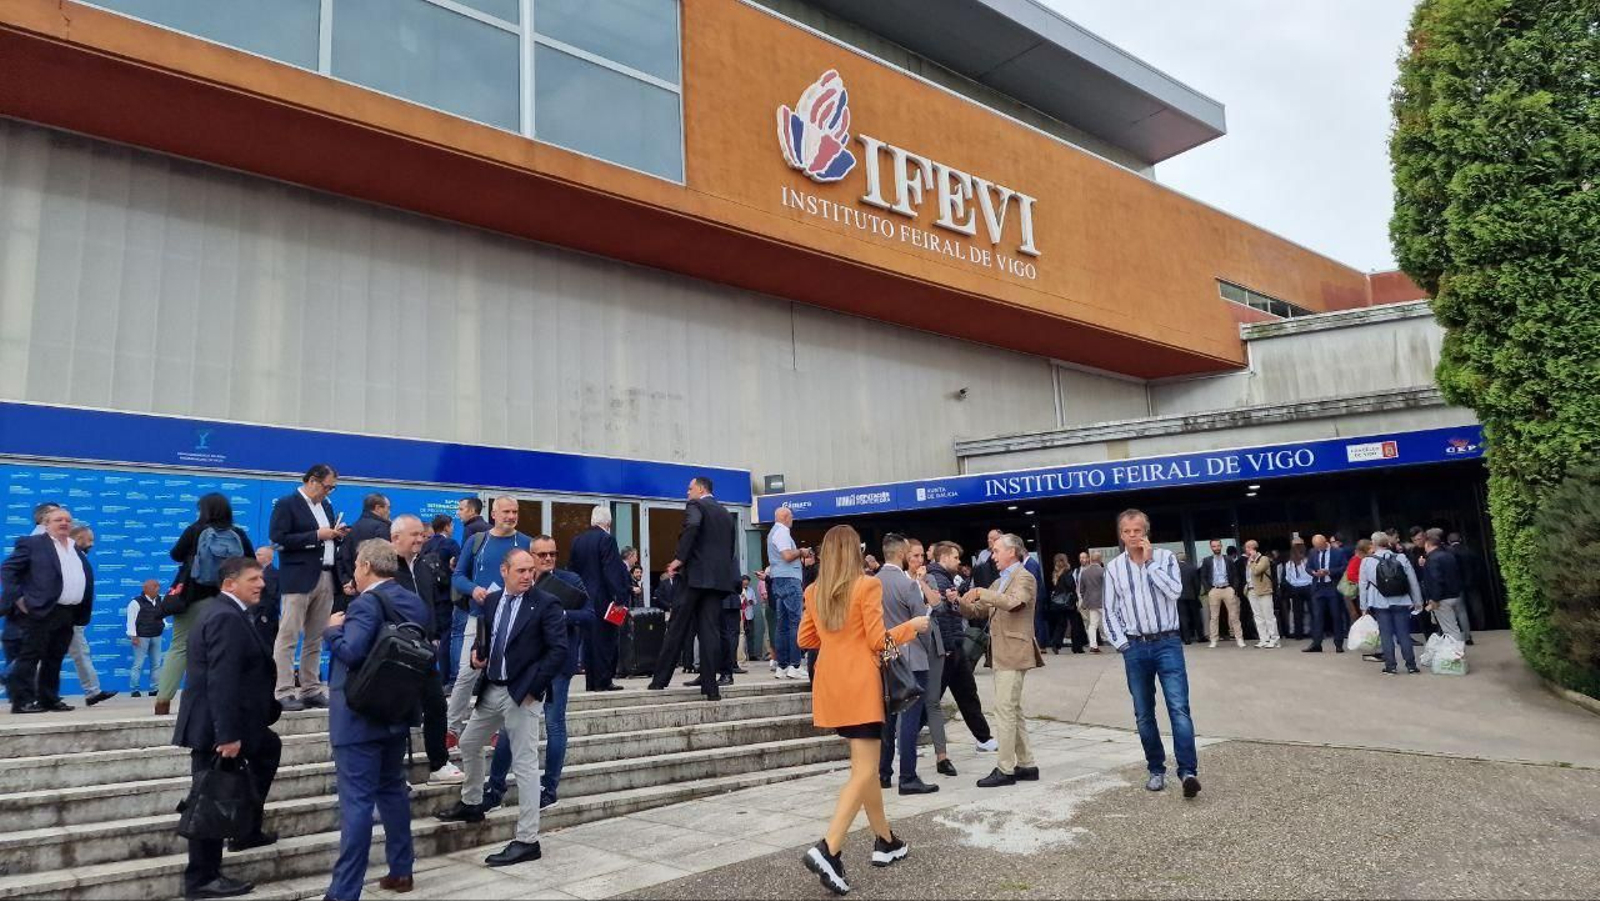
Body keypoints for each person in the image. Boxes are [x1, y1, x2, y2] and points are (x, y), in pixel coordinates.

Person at [797, 524, 928, 896]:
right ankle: (829, 847)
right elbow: (876, 640)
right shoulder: (867, 585)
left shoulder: (813, 590)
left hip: (831, 686)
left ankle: (885, 840)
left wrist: (833, 630)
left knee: (864, 769)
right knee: (865, 770)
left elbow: (805, 638)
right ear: (855, 551)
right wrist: (912, 627)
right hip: (860, 685)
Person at [436, 548, 567, 867]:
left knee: (524, 764)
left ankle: (527, 839)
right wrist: (476, 656)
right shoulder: (493, 601)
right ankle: (472, 802)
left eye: (530, 571)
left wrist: (534, 689)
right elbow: (488, 639)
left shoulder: (546, 604)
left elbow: (558, 651)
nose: (527, 576)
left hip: (524, 694)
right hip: (492, 688)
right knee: (468, 742)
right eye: (520, 571)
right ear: (504, 572)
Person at [323, 540, 430, 901]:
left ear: (366, 565)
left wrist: (331, 630)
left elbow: (351, 652)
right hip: (395, 714)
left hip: (357, 718)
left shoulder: (366, 604)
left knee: (356, 805)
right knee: (392, 793)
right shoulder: (413, 602)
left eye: (356, 564)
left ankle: (343, 892)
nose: (354, 569)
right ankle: (402, 870)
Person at [173, 555, 281, 899]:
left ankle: (245, 829)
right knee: (211, 796)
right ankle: (201, 878)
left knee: (268, 748)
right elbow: (221, 680)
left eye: (261, 578)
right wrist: (227, 736)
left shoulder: (231, 613)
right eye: (253, 579)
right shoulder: (224, 617)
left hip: (238, 723)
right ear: (230, 583)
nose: (261, 584)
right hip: (216, 728)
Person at [482, 535, 589, 812]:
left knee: (554, 725)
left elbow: (590, 615)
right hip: (525, 667)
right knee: (509, 728)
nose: (548, 559)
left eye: (552, 554)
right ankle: (495, 787)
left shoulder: (570, 581)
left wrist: (558, 614)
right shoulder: (521, 583)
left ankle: (549, 787)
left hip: (557, 665)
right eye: (541, 555)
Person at [1102, 509, 1201, 798]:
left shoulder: (1166, 559)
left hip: (1167, 643)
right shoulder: (1114, 568)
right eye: (1128, 532)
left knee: (1179, 708)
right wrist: (1122, 645)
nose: (1133, 536)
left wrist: (1148, 565)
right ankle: (1156, 769)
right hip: (1135, 646)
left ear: (1147, 532)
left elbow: (1174, 592)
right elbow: (1109, 611)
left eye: (1138, 531)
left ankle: (1188, 772)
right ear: (1121, 535)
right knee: (1144, 714)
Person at [157, 494, 256, 715]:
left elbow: (175, 554)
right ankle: (219, 700)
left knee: (180, 646)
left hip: (193, 597)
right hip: (228, 600)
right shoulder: (237, 533)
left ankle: (163, 701)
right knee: (223, 650)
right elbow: (251, 562)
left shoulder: (195, 530)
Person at [957, 533, 1042, 788]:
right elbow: (978, 611)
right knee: (1013, 710)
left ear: (1012, 552)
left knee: (1004, 710)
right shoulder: (999, 581)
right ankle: (1027, 764)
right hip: (1002, 652)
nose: (992, 556)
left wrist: (982, 591)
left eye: (996, 551)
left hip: (1015, 651)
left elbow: (1014, 603)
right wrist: (959, 601)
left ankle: (1005, 768)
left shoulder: (1024, 577)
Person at [445, 498, 531, 737]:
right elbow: (458, 576)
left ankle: (497, 727)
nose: (511, 516)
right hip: (480, 617)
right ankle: (452, 726)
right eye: (506, 511)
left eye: (515, 512)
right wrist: (474, 589)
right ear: (494, 513)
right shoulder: (477, 541)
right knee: (466, 672)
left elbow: (534, 579)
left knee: (504, 674)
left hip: (513, 619)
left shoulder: (525, 542)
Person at [647, 477, 739, 700]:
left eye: (689, 488)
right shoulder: (726, 514)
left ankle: (659, 680)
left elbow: (693, 526)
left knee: (677, 626)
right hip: (717, 582)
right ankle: (710, 688)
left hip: (695, 577)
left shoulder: (696, 505)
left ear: (700, 489)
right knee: (710, 632)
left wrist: (679, 558)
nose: (687, 493)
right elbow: (729, 549)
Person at [387, 515, 463, 786]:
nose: (420, 539)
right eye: (414, 535)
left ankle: (439, 763)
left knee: (436, 705)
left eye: (422, 534)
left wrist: (435, 635)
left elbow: (431, 603)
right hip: (397, 651)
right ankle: (393, 771)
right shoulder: (386, 568)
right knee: (397, 711)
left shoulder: (424, 565)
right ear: (396, 538)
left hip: (425, 650)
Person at [267, 465, 349, 713]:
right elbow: (278, 539)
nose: (329, 492)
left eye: (332, 488)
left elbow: (325, 537)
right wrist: (316, 535)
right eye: (327, 486)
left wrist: (335, 535)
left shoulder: (326, 506)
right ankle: (283, 690)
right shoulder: (287, 503)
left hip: (325, 575)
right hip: (298, 577)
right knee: (289, 635)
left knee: (315, 637)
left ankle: (311, 688)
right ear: (312, 481)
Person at [3, 506, 94, 714]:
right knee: (30, 656)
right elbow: (9, 570)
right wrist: (18, 598)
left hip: (68, 612)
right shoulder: (32, 543)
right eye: (58, 520)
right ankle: (22, 701)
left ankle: (49, 698)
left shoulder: (73, 547)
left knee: (55, 657)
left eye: (67, 520)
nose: (64, 523)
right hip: (41, 610)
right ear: (46, 524)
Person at [874, 534, 939, 795]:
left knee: (887, 717)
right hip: (911, 656)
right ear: (901, 553)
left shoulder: (872, 583)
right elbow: (921, 624)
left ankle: (883, 773)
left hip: (885, 654)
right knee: (909, 719)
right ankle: (908, 775)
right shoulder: (907, 584)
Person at [923, 541, 996, 753]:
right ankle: (906, 734)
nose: (958, 561)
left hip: (954, 645)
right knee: (934, 697)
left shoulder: (945, 578)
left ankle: (983, 737)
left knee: (966, 692)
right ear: (943, 558)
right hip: (946, 648)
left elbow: (952, 611)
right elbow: (938, 612)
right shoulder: (935, 578)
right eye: (955, 557)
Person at [568, 505, 630, 692]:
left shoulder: (577, 540)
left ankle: (591, 682)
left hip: (583, 599)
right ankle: (603, 681)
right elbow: (611, 570)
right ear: (608, 522)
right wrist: (620, 597)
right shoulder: (607, 539)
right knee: (605, 641)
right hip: (603, 600)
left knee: (589, 642)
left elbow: (572, 569)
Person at [1360, 532, 1424, 675]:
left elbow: (1362, 585)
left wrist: (1363, 607)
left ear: (1374, 544)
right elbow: (1413, 581)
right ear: (1388, 543)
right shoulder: (1401, 558)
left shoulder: (1367, 561)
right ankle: (1411, 666)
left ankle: (1391, 666)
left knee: (1386, 635)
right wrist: (1418, 601)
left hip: (1379, 601)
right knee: (1403, 634)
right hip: (1401, 600)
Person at [65, 524, 115, 706]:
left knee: (45, 654)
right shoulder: (73, 557)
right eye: (90, 539)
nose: (92, 543)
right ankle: (92, 691)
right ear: (79, 539)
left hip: (71, 617)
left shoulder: (77, 556)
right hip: (68, 617)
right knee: (40, 655)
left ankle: (93, 691)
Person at [767, 506, 807, 680]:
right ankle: (795, 665)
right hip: (790, 579)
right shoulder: (783, 532)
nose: (793, 519)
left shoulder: (772, 532)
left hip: (778, 579)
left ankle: (781, 666)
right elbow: (787, 556)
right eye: (791, 516)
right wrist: (802, 552)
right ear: (784, 517)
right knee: (795, 623)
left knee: (782, 625)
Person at [335, 494, 392, 613]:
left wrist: (347, 582)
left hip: (352, 591)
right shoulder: (383, 528)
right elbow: (384, 561)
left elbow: (340, 557)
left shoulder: (353, 528)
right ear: (377, 508)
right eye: (388, 508)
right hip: (376, 592)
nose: (389, 512)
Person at [1304, 534, 1350, 653]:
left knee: (1336, 615)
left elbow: (1344, 567)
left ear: (1325, 542)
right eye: (1316, 547)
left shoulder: (1338, 552)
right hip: (1318, 587)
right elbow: (1308, 567)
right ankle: (1316, 643)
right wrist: (1313, 572)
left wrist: (1329, 572)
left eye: (1320, 546)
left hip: (1332, 587)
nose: (1319, 549)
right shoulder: (1312, 552)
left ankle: (1338, 643)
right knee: (1317, 616)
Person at [1420, 529, 1468, 643]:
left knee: (1450, 629)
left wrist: (1434, 599)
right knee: (1454, 626)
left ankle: (1456, 655)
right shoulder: (1449, 555)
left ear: (1427, 544)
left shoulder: (1432, 559)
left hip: (1442, 598)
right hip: (1455, 595)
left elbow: (1436, 580)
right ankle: (1458, 651)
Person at [1200, 539, 1246, 649]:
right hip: (1214, 589)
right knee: (1214, 617)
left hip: (1227, 589)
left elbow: (1235, 575)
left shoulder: (1228, 559)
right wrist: (1209, 589)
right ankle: (1214, 639)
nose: (1216, 548)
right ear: (1211, 547)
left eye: (1218, 546)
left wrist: (1233, 588)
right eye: (1214, 546)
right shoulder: (1207, 560)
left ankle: (1239, 638)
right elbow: (1203, 576)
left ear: (1221, 546)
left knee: (1234, 615)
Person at [127, 578, 166, 697]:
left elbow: (162, 614)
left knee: (156, 664)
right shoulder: (135, 602)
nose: (157, 589)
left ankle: (155, 688)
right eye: (155, 587)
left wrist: (164, 624)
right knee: (138, 664)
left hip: (156, 635)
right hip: (141, 637)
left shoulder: (160, 600)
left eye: (157, 587)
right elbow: (131, 620)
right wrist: (133, 636)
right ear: (146, 589)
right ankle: (134, 689)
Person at [1447, 532, 1482, 641]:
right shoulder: (1469, 550)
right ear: (1460, 539)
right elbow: (1478, 566)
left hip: (1458, 584)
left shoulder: (1449, 553)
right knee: (1476, 605)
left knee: (1461, 610)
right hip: (1472, 582)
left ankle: (1465, 632)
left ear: (1449, 541)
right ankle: (1481, 626)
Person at [1244, 540, 1279, 649]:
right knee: (1258, 616)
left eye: (1247, 548)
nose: (1246, 550)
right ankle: (1263, 639)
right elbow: (1248, 576)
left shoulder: (1263, 559)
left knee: (1268, 615)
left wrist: (1253, 560)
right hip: (1251, 590)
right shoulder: (1248, 560)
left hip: (1263, 590)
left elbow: (1257, 571)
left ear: (1252, 548)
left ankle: (1274, 639)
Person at [1281, 542, 1314, 640]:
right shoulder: (1307, 561)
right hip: (1308, 587)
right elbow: (1312, 574)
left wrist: (1292, 587)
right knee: (1313, 611)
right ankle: (1315, 632)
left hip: (1295, 589)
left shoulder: (1289, 563)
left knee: (1297, 613)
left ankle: (1298, 634)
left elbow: (1286, 578)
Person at [1043, 553, 1073, 654]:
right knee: (1071, 622)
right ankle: (1059, 642)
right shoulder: (1067, 572)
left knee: (1061, 623)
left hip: (1057, 602)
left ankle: (1056, 642)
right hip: (1066, 601)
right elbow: (1069, 586)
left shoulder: (1055, 573)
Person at [1077, 551, 1106, 653]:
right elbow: (1108, 587)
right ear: (1100, 559)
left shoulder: (1084, 572)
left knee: (1092, 624)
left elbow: (1081, 589)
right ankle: (1117, 643)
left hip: (1091, 603)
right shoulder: (1103, 571)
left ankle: (1093, 645)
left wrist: (1086, 598)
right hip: (1103, 601)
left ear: (1091, 559)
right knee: (1108, 622)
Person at [1175, 551, 1203, 644]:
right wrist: (1196, 594)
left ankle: (1187, 638)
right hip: (1192, 596)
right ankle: (1200, 636)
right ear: (1185, 559)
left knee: (1183, 618)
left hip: (1179, 596)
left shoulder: (1174, 569)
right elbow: (1197, 583)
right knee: (1196, 617)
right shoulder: (1192, 568)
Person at [255, 546, 281, 645]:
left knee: (266, 643)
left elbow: (271, 596)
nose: (255, 556)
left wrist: (265, 615)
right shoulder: (262, 572)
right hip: (259, 614)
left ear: (267, 557)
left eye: (259, 554)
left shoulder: (271, 573)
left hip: (265, 616)